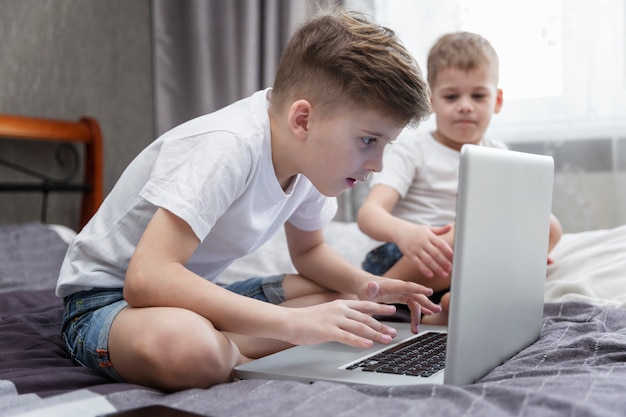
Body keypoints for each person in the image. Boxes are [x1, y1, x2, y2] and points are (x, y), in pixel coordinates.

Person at [56, 7, 438, 392]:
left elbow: (310, 252)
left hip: (190, 294)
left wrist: (368, 285)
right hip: (107, 303)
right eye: (369, 141)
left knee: (343, 305)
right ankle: (231, 350)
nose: (377, 164)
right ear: (302, 119)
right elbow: (146, 279)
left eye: (385, 145)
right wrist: (294, 325)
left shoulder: (308, 163)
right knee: (188, 347)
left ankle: (230, 345)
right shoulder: (228, 147)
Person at [356, 31, 563, 324]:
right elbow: (369, 214)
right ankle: (381, 297)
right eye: (452, 96)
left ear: (497, 100)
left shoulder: (499, 154)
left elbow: (513, 219)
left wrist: (523, 250)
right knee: (462, 233)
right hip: (403, 259)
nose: (465, 105)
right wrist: (406, 233)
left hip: (464, 266)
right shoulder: (414, 149)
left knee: (549, 224)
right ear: (431, 101)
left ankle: (441, 312)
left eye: (478, 95)